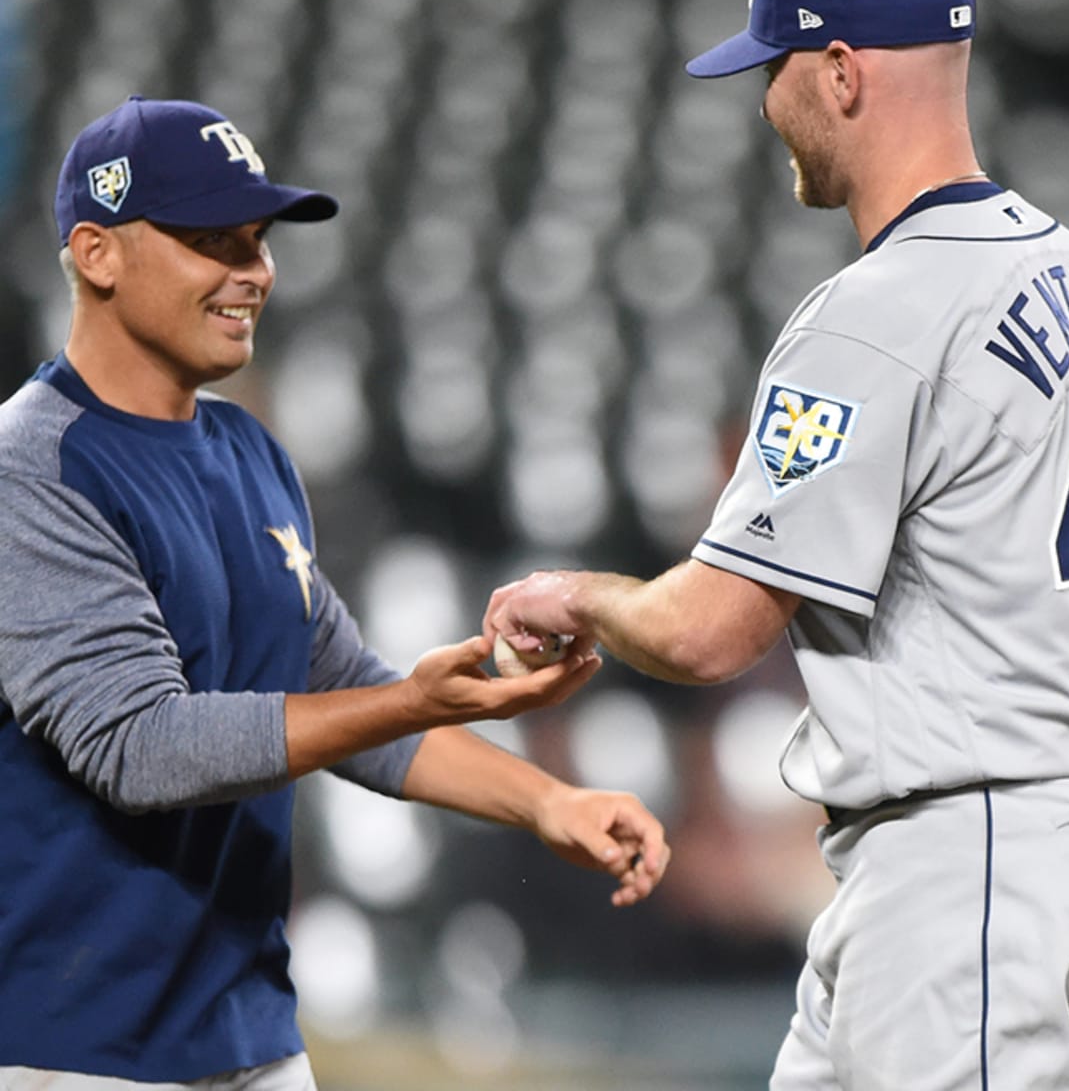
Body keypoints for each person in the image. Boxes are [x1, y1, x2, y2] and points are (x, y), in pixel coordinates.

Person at [484, 0, 1069, 1091]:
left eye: (774, 71)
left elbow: (712, 632)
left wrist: (580, 598)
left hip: (966, 877)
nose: (766, 104)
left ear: (841, 73)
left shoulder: (876, 312)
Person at [0, 95, 669, 1088]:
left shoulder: (247, 451)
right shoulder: (34, 469)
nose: (252, 272)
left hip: (253, 1034)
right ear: (96, 253)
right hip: (80, 1049)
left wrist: (545, 802)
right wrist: (408, 699)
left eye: (258, 240)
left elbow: (343, 690)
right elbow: (137, 748)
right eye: (208, 240)